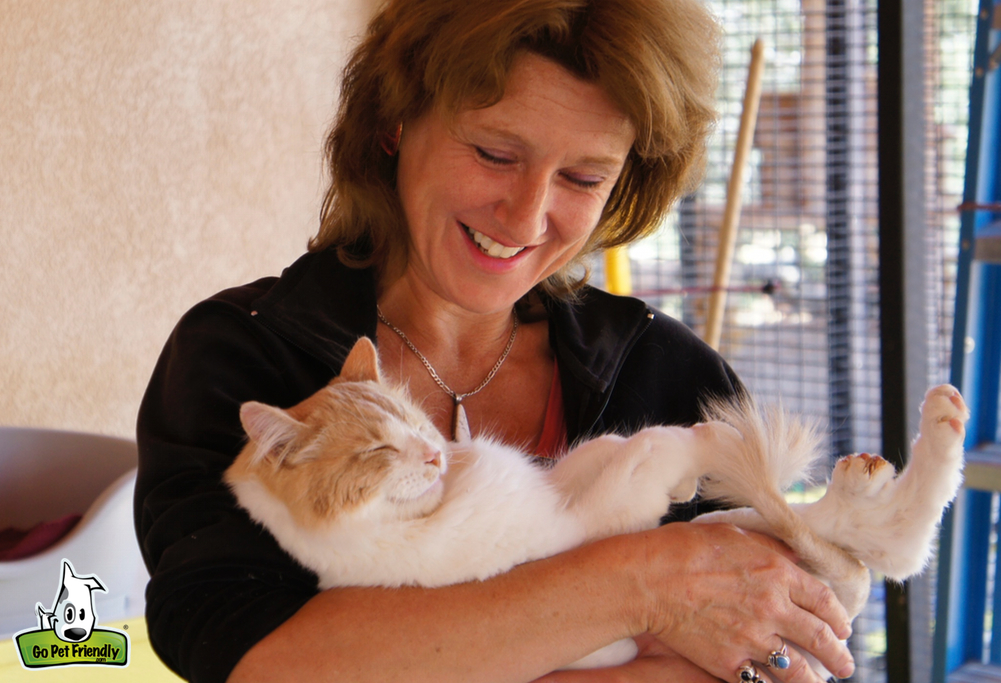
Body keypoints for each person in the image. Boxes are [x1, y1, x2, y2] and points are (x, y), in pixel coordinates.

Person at [134, 0, 857, 682]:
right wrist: (642, 585)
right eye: (493, 153)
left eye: (581, 175)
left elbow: (791, 626)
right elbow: (249, 655)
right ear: (394, 124)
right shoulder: (240, 357)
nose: (526, 214)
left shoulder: (666, 374)